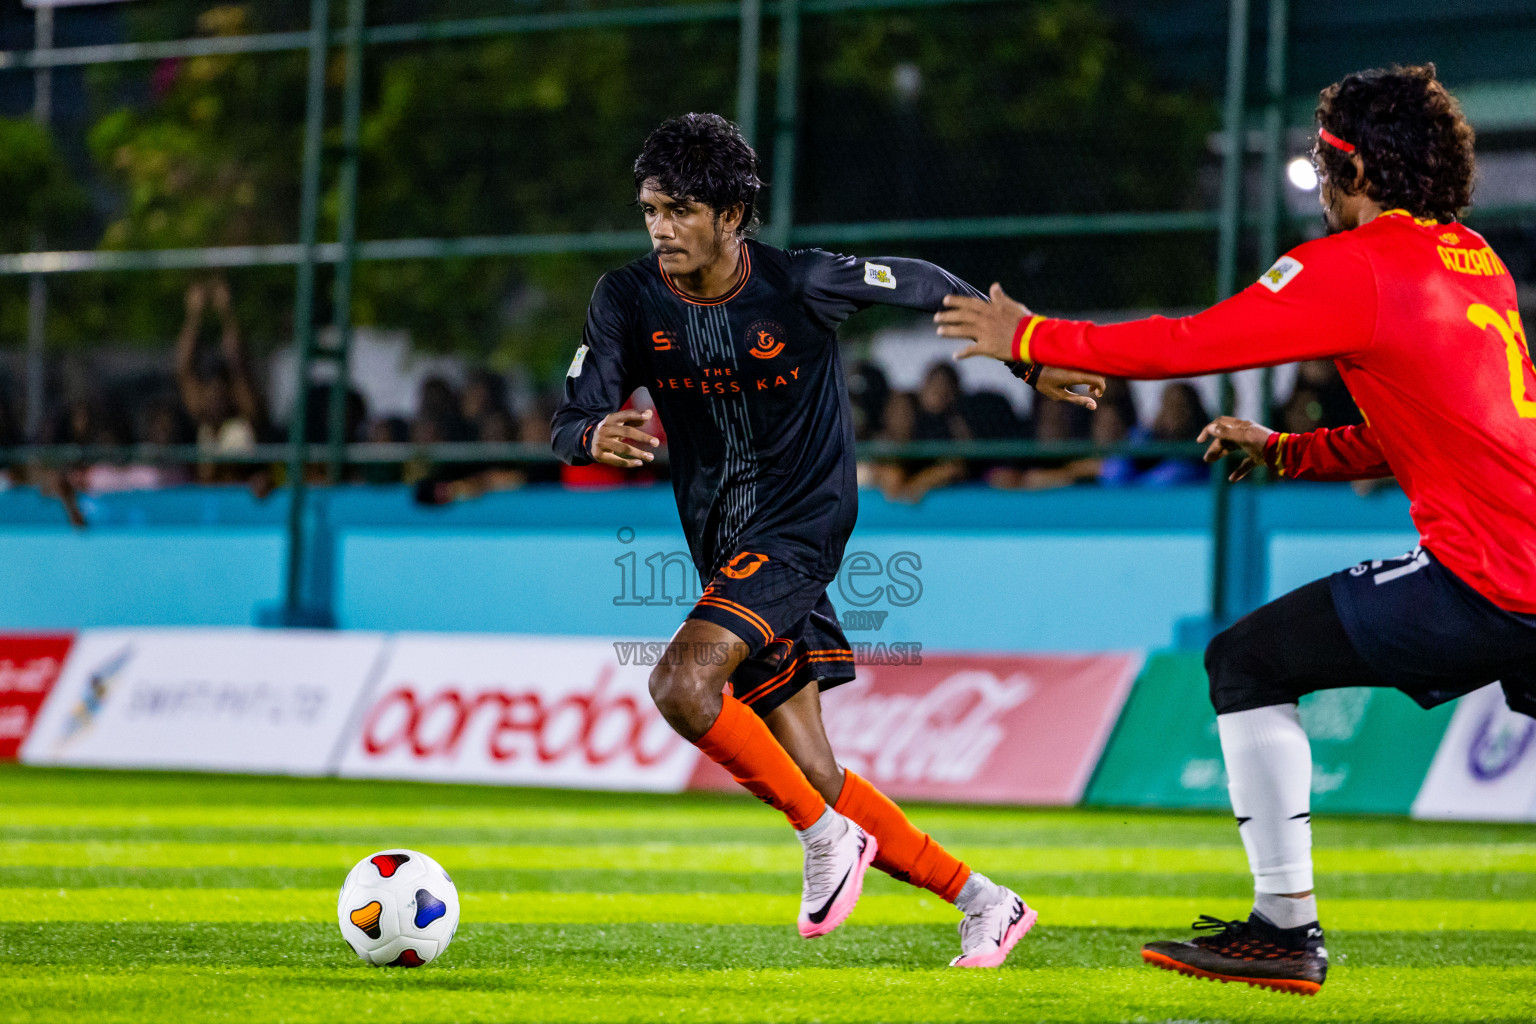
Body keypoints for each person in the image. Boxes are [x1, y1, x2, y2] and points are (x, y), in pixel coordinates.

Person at [935, 63, 1536, 994]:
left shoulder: (1357, 264)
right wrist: (1291, 453)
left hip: (1487, 576)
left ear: (1356, 172)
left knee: (1248, 662)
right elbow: (1436, 427)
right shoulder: (1473, 259)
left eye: (1321, 161)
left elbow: (1189, 341)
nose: (1319, 181)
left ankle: (1285, 929)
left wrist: (1032, 336)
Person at [552, 112, 1104, 966]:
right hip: (723, 543)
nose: (661, 228)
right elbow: (574, 412)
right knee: (812, 768)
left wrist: (1028, 357)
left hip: (801, 525)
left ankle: (822, 841)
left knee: (682, 685)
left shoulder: (802, 283)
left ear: (733, 215)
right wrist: (592, 437)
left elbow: (918, 281)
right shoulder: (626, 298)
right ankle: (985, 900)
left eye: (682, 210)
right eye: (652, 209)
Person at [175, 277, 267, 483]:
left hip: (238, 499)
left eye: (221, 391)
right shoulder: (200, 415)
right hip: (209, 504)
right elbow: (184, 369)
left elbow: (238, 365)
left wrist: (226, 312)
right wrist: (194, 315)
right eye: (211, 392)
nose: (216, 397)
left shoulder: (244, 415)